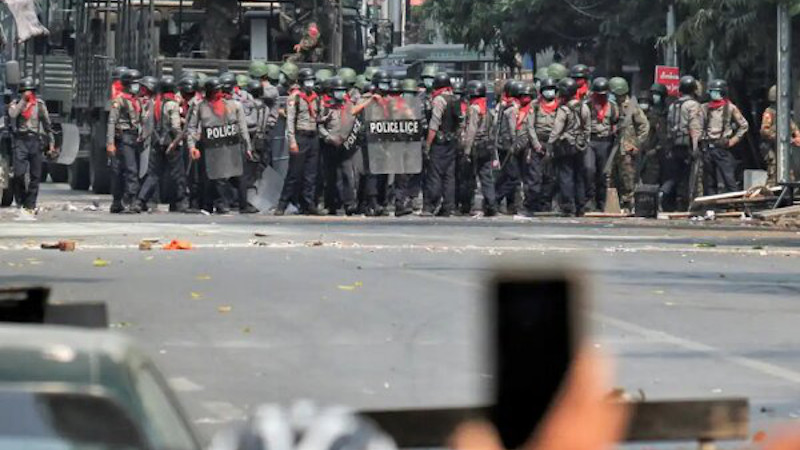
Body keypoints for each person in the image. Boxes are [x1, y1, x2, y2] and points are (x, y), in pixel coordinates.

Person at [187, 77, 253, 214]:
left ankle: (242, 204)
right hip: (211, 145)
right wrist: (192, 146)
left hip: (231, 144)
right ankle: (219, 204)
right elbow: (192, 128)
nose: (218, 93)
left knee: (238, 175)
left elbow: (242, 127)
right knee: (216, 177)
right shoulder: (201, 106)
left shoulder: (233, 105)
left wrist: (247, 147)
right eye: (215, 90)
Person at [135, 75, 188, 213]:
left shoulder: (154, 102)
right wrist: (178, 141)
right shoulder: (172, 104)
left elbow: (147, 123)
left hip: (157, 142)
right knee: (178, 175)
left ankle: (140, 201)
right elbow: (176, 126)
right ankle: (181, 202)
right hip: (171, 144)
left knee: (153, 175)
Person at [276, 68, 321, 215]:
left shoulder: (316, 98)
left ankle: (308, 204)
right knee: (294, 173)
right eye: (308, 81)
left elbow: (318, 117)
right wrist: (292, 141)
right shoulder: (294, 98)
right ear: (301, 82)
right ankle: (282, 204)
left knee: (311, 174)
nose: (310, 84)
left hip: (313, 136)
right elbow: (290, 121)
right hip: (299, 136)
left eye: (312, 81)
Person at [8, 78, 55, 211]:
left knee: (36, 175)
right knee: (19, 174)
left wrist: (51, 143)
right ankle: (21, 200)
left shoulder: (39, 105)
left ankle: (30, 203)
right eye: (24, 91)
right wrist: (23, 101)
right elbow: (13, 114)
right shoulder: (16, 104)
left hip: (34, 140)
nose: (27, 94)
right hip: (20, 141)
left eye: (29, 91)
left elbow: (47, 125)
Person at [549, 78, 590, 217]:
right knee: (579, 176)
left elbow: (556, 130)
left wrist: (550, 144)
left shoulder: (564, 109)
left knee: (566, 176)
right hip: (580, 146)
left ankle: (568, 206)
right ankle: (580, 206)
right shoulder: (584, 107)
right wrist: (584, 142)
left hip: (565, 146)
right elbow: (587, 128)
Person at [700, 79, 749, 196]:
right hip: (707, 148)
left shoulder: (730, 108)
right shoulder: (704, 108)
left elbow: (744, 126)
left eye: (716, 92)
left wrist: (733, 140)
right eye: (711, 91)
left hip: (722, 147)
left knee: (729, 179)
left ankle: (737, 205)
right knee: (709, 181)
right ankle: (711, 207)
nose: (713, 94)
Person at [319, 77, 359, 216]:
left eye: (342, 91)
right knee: (330, 177)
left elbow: (355, 124)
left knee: (348, 175)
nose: (340, 93)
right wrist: (328, 138)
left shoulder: (350, 107)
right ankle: (331, 204)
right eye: (337, 91)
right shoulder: (326, 108)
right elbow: (320, 126)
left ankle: (349, 204)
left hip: (346, 146)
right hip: (330, 144)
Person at [608, 77, 649, 211]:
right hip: (613, 148)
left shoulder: (631, 106)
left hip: (627, 149)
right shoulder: (611, 106)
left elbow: (644, 126)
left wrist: (637, 143)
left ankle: (629, 204)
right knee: (612, 177)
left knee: (628, 178)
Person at [423, 73, 460, 217]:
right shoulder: (454, 98)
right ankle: (448, 207)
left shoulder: (438, 100)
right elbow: (460, 123)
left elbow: (434, 124)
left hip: (439, 143)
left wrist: (428, 144)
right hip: (451, 142)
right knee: (449, 176)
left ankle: (431, 205)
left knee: (435, 175)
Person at [665, 75, 703, 211]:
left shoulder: (673, 105)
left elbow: (669, 126)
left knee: (676, 175)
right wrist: (695, 147)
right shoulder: (693, 105)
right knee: (691, 177)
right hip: (687, 144)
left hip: (675, 144)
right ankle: (687, 204)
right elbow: (695, 127)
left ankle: (669, 201)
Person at [107, 69, 142, 213]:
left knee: (128, 170)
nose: (137, 87)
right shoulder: (119, 100)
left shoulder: (136, 100)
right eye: (135, 84)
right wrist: (110, 143)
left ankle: (120, 202)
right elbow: (111, 122)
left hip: (135, 137)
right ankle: (128, 200)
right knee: (128, 170)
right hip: (124, 137)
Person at [461, 80, 498, 216]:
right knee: (486, 178)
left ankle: (466, 206)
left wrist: (466, 151)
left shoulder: (474, 108)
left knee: (469, 178)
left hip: (475, 147)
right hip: (486, 146)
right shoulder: (487, 108)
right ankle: (491, 205)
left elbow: (471, 131)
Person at [585, 77, 619, 212]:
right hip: (590, 141)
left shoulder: (612, 107)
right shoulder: (588, 105)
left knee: (603, 174)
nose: (600, 97)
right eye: (598, 95)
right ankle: (589, 200)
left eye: (603, 95)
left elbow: (615, 122)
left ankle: (601, 203)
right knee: (589, 170)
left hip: (605, 142)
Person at [531, 77, 561, 212]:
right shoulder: (535, 105)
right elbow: (530, 126)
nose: (549, 92)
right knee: (535, 176)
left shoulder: (560, 106)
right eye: (547, 89)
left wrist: (553, 144)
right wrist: (536, 144)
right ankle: (533, 203)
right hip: (537, 143)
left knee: (551, 177)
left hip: (553, 144)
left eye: (552, 89)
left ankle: (546, 203)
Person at [760, 85, 800, 187]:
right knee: (774, 172)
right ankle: (769, 196)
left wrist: (797, 135)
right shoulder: (769, 112)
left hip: (782, 147)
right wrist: (787, 139)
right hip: (771, 147)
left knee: (788, 172)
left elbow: (792, 126)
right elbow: (765, 131)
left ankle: (788, 195)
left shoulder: (783, 111)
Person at [495, 81, 523, 215]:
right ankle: (496, 198)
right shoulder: (512, 108)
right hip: (508, 147)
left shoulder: (505, 105)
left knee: (506, 176)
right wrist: (515, 144)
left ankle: (511, 205)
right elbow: (513, 130)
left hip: (504, 145)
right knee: (513, 178)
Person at [641, 83, 670, 187]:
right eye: (653, 94)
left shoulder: (667, 112)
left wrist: (658, 148)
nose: (655, 97)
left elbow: (664, 133)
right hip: (647, 149)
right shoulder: (648, 112)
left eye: (658, 94)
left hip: (661, 150)